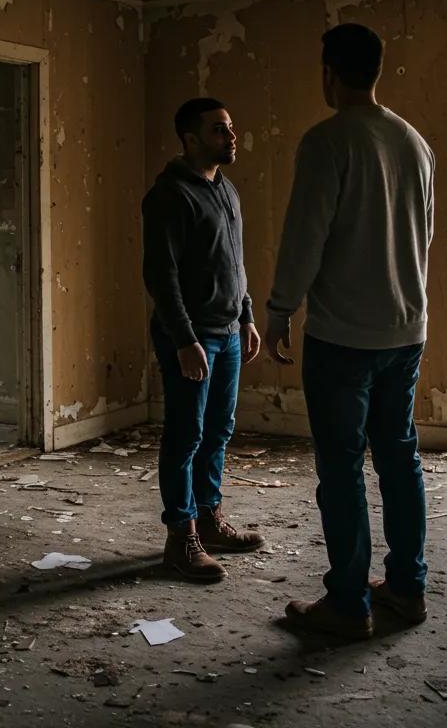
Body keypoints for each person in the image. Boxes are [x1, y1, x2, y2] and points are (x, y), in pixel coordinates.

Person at [265, 23, 435, 639]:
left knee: (341, 468)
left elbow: (304, 236)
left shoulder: (328, 141)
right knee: (399, 458)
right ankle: (407, 589)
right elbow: (423, 237)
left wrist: (280, 308)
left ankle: (347, 604)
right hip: (405, 329)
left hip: (343, 337)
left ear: (329, 72)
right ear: (377, 71)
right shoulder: (413, 142)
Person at [142, 97, 265, 582]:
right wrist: (185, 340)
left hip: (229, 332)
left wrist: (248, 316)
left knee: (217, 431)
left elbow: (234, 261)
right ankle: (181, 538)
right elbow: (161, 276)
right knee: (185, 436)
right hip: (192, 338)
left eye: (230, 128)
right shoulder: (169, 195)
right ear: (191, 139)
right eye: (219, 130)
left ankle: (209, 519)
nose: (231, 137)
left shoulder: (226, 189)